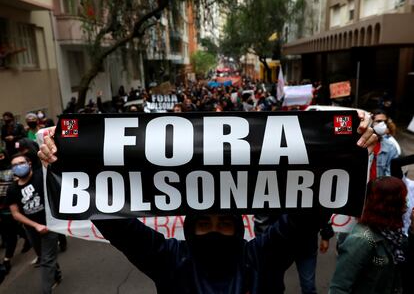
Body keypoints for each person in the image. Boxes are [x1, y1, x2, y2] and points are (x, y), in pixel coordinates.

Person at [38, 112, 376, 293]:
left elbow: (305, 213)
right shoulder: (169, 260)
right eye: (204, 223)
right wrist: (65, 161)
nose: (214, 231)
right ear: (189, 226)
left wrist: (349, 151)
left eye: (224, 223)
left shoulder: (260, 257)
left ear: (237, 227)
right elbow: (118, 224)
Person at [329, 177, 408, 294]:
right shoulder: (363, 240)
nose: (406, 203)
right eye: (402, 199)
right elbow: (339, 287)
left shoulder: (393, 234)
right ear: (391, 204)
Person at [6, 154, 62, 293]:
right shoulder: (12, 189)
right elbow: (16, 213)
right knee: (43, 255)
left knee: (46, 260)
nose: (19, 166)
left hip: (50, 224)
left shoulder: (41, 176)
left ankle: (46, 290)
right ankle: (56, 272)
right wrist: (35, 225)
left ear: (29, 163)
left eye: (21, 163)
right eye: (15, 165)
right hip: (31, 229)